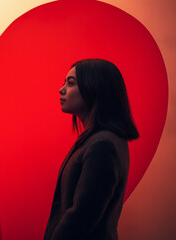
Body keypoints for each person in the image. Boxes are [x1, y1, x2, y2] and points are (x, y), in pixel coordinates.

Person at [43, 59, 139, 240]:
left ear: (95, 88)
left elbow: (81, 217)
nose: (61, 89)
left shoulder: (103, 145)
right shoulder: (96, 140)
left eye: (70, 83)